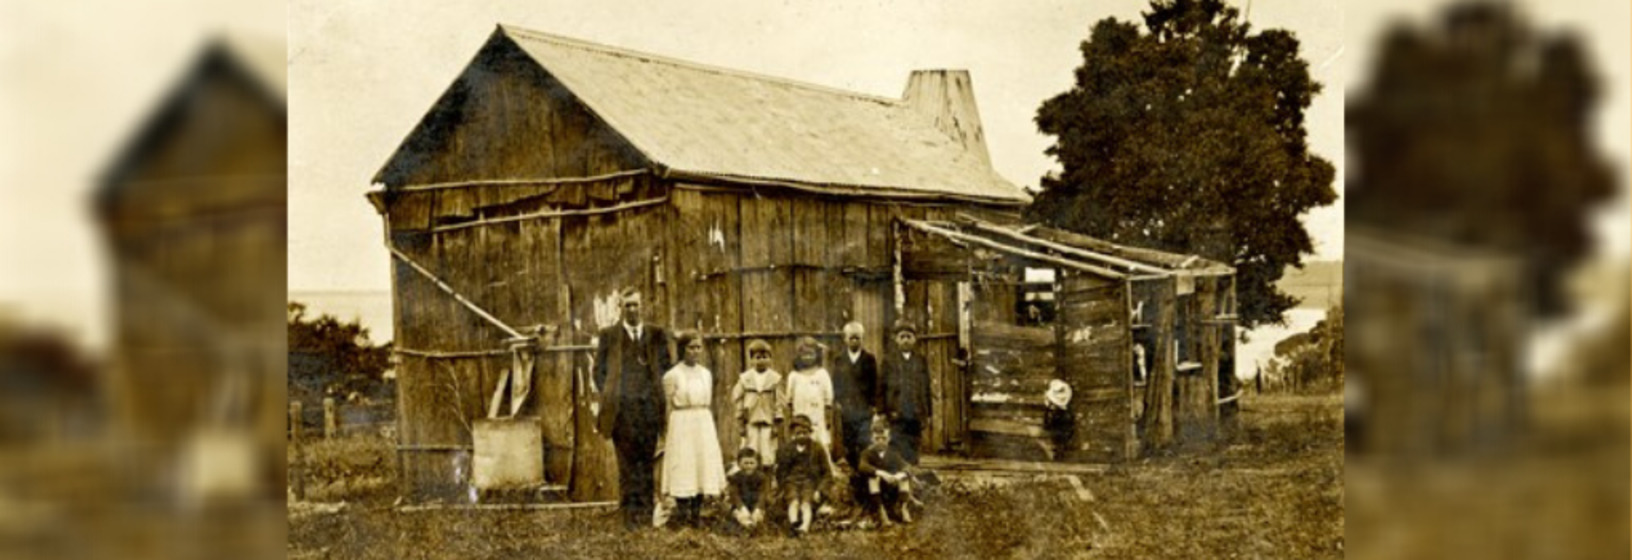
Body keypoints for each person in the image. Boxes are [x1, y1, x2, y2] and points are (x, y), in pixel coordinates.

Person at [593, 288, 672, 531]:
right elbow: (598, 372)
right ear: (621, 308)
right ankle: (628, 520)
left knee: (646, 464)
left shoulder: (655, 334)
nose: (632, 310)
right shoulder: (609, 335)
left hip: (648, 411)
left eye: (636, 304)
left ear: (642, 306)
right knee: (626, 466)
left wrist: (655, 397)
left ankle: (646, 517)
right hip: (622, 414)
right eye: (627, 305)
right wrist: (612, 394)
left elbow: (666, 366)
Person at [660, 331, 728, 529]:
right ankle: (682, 517)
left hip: (702, 421)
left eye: (698, 347)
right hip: (681, 422)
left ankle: (696, 516)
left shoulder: (706, 373)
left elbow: (708, 400)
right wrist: (666, 431)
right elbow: (667, 406)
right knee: (684, 465)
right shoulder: (672, 375)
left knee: (701, 465)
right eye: (691, 347)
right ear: (683, 349)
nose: (695, 351)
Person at [829, 321, 878, 503]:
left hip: (864, 408)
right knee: (849, 442)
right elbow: (836, 383)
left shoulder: (869, 359)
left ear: (862, 339)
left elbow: (874, 383)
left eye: (858, 338)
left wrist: (873, 405)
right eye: (851, 338)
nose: (854, 341)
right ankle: (854, 476)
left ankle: (865, 477)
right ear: (845, 340)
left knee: (863, 440)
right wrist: (839, 401)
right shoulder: (839, 360)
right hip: (847, 408)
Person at [878, 319, 932, 465]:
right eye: (902, 337)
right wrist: (882, 411)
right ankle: (898, 476)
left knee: (914, 443)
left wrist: (928, 413)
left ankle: (912, 474)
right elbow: (881, 387)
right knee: (896, 444)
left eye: (909, 336)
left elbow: (926, 387)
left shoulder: (920, 360)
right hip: (896, 411)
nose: (906, 340)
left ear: (914, 339)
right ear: (896, 339)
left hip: (915, 411)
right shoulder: (889, 361)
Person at [775, 414, 831, 535]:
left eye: (805, 433)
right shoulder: (787, 449)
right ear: (794, 434)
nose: (802, 436)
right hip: (792, 481)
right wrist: (782, 487)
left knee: (806, 503)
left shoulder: (817, 448)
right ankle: (793, 524)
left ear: (810, 433)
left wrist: (819, 490)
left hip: (809, 482)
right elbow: (781, 471)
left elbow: (827, 473)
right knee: (793, 501)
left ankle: (804, 528)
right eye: (798, 433)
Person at [731, 339, 784, 464]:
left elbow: (779, 401)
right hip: (750, 420)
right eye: (757, 357)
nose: (761, 361)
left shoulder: (775, 379)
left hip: (768, 420)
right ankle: (751, 474)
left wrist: (777, 422)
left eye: (765, 357)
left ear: (770, 359)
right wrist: (740, 421)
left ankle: (767, 477)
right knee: (751, 448)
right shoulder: (745, 379)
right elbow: (738, 399)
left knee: (768, 451)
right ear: (751, 360)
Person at [782, 337, 835, 455]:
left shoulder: (822, 374)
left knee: (820, 441)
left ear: (817, 355)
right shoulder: (794, 376)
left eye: (811, 354)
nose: (808, 357)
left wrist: (827, 416)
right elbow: (789, 400)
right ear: (799, 356)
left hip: (817, 416)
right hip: (800, 414)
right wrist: (790, 417)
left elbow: (828, 399)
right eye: (804, 354)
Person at [857, 422, 916, 526]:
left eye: (884, 438)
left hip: (889, 490)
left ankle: (904, 508)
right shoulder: (866, 453)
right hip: (872, 492)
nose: (880, 442)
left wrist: (900, 475)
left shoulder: (893, 454)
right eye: (877, 438)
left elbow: (907, 466)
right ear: (871, 439)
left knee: (904, 476)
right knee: (873, 477)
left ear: (889, 439)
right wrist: (880, 472)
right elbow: (862, 466)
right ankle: (881, 511)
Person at [726, 448, 769, 531]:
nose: (749, 466)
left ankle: (753, 524)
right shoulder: (735, 478)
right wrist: (742, 508)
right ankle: (747, 525)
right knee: (739, 514)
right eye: (745, 463)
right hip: (741, 504)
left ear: (757, 464)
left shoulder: (761, 478)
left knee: (758, 516)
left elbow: (763, 494)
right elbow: (735, 495)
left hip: (755, 504)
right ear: (739, 464)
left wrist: (758, 508)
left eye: (752, 463)